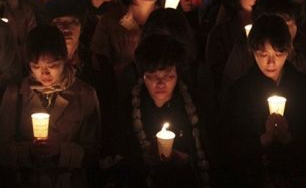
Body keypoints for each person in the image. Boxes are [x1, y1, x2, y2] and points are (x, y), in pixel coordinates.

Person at [221, 14, 306, 188]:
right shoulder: (239, 92)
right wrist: (262, 141)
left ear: (289, 50)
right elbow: (229, 146)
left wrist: (288, 139)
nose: (271, 62)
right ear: (252, 51)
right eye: (263, 54)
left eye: (278, 53)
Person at [0, 25, 101, 187]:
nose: (44, 74)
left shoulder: (85, 94)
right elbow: (2, 149)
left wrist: (61, 150)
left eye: (52, 66)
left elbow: (94, 151)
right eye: (36, 67)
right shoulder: (16, 94)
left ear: (65, 59)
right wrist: (29, 151)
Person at [124, 34, 215, 187]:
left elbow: (210, 156)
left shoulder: (194, 106)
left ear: (178, 75)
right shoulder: (128, 110)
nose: (160, 83)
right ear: (142, 76)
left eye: (168, 76)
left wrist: (184, 160)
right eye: (153, 76)